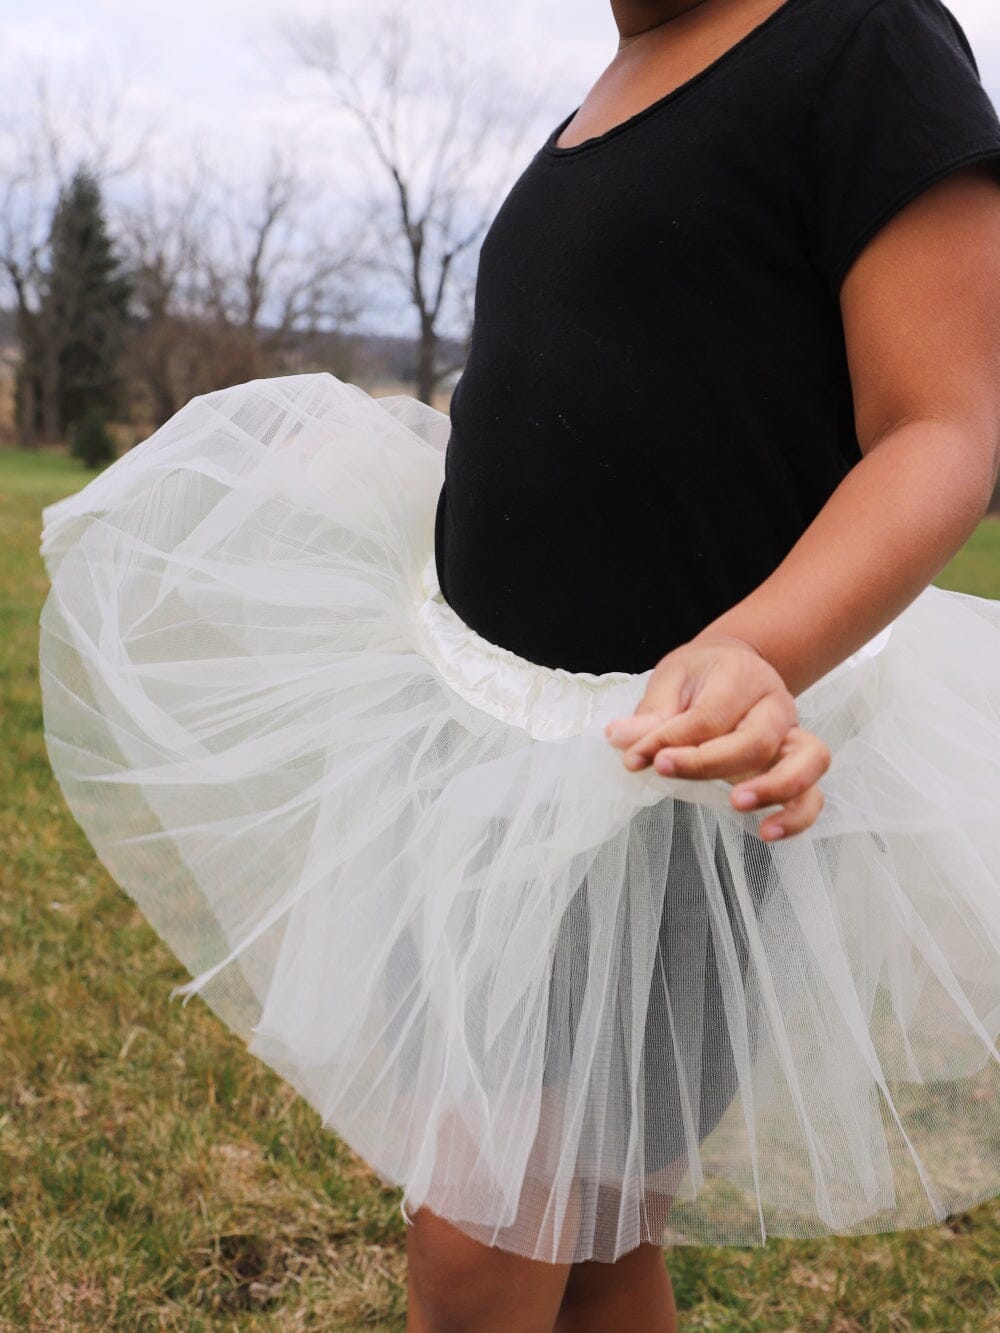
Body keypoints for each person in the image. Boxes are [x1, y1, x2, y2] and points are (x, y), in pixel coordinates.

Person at [36, 0, 1000, 1329]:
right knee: (596, 1233)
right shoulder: (604, 98)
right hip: (490, 754)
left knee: (483, 1235)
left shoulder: (862, 40)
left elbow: (944, 421)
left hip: (660, 774)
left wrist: (752, 644)